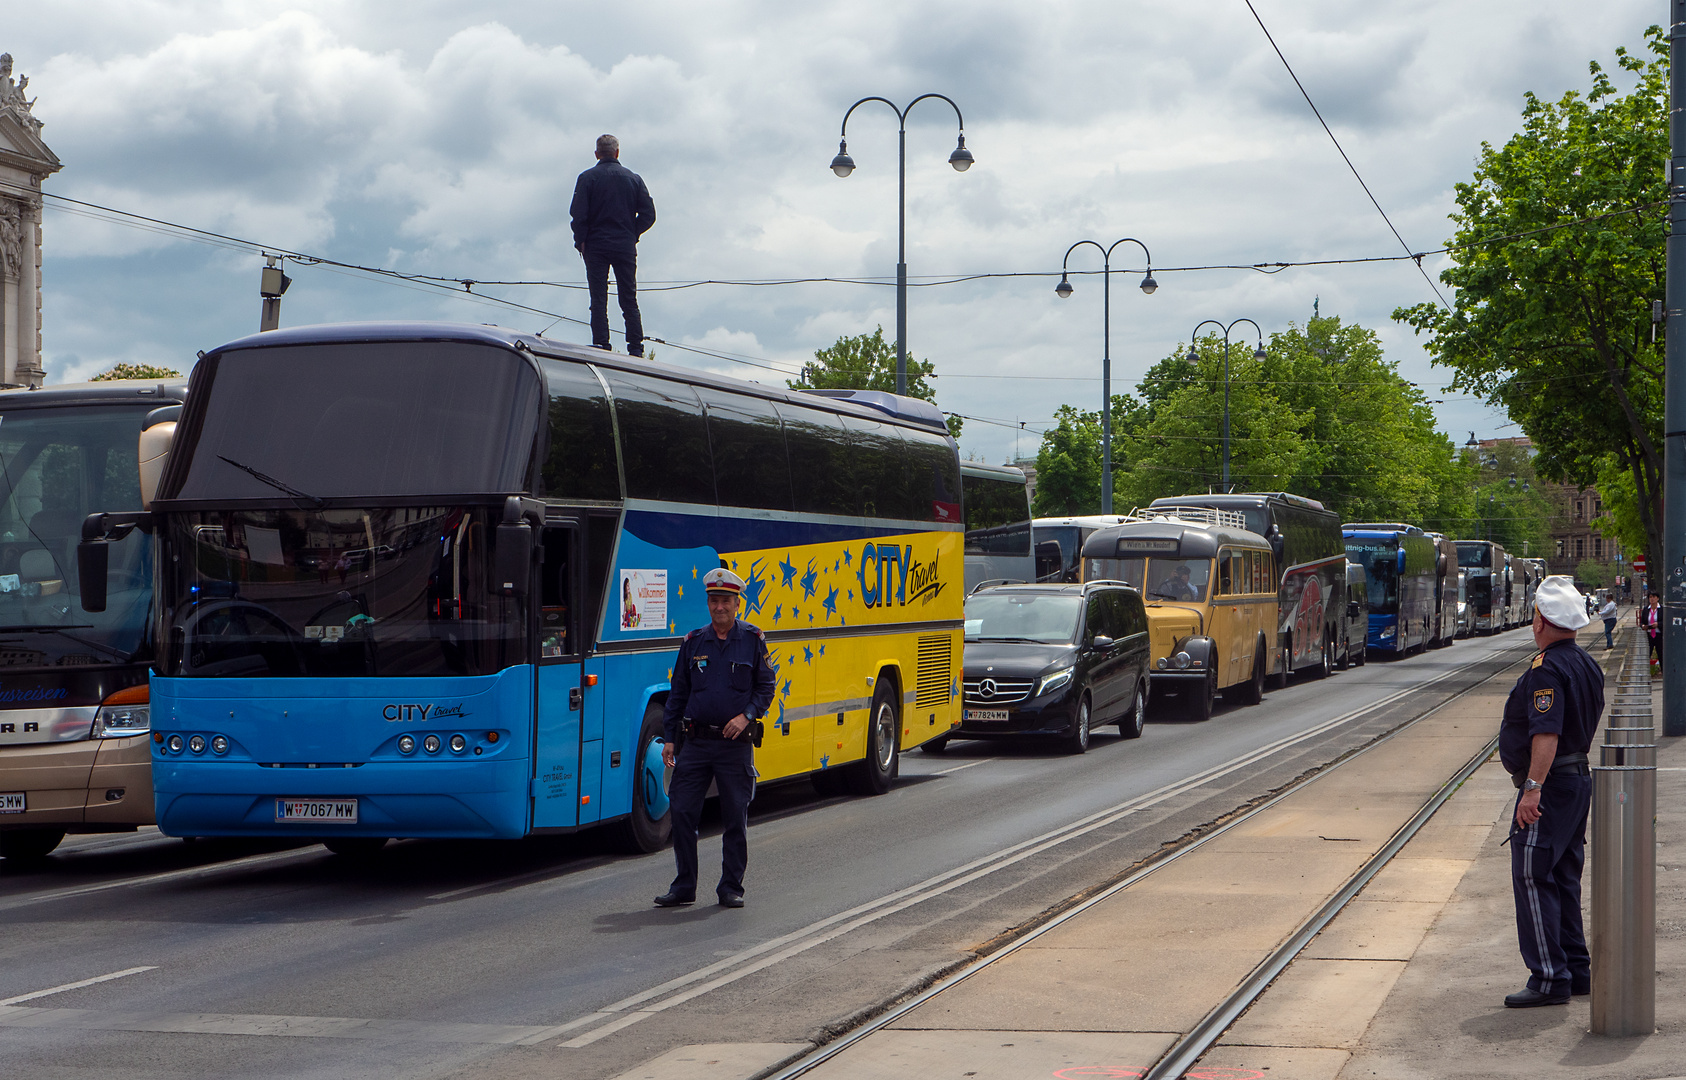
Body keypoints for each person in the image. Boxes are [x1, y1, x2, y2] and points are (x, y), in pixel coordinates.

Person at [1498, 575, 1602, 1008]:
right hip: (1576, 780)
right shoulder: (1585, 662)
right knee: (1562, 876)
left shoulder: (1548, 670)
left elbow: (1546, 733)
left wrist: (1532, 789)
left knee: (1533, 872)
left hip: (1552, 785)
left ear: (1539, 619)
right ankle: (1576, 972)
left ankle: (1547, 977)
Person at [654, 568, 775, 909]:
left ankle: (730, 887)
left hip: (734, 746)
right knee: (681, 810)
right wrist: (670, 739)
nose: (719, 607)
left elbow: (766, 687)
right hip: (696, 743)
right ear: (708, 604)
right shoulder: (694, 642)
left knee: (734, 815)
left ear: (737, 604)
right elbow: (678, 692)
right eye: (714, 601)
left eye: (725, 601)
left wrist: (746, 715)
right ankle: (684, 885)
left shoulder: (752, 640)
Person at [570, 134, 655, 357]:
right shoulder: (634, 179)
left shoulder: (587, 178)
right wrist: (632, 233)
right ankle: (635, 347)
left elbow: (578, 214)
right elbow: (649, 214)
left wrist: (581, 240)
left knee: (598, 298)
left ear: (597, 154)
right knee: (629, 297)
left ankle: (601, 344)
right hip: (624, 245)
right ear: (617, 153)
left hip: (596, 245)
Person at [1641, 591, 1662, 668]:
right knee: (1647, 654)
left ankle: (1663, 673)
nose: (1652, 599)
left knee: (1660, 654)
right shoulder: (1646, 609)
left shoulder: (1661, 609)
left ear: (1658, 598)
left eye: (1654, 597)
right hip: (1649, 635)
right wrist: (1643, 626)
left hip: (1659, 634)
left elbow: (1666, 621)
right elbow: (1642, 621)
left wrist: (1658, 624)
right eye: (1650, 597)